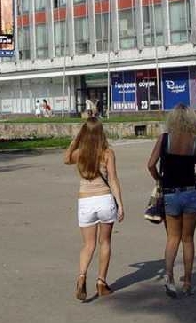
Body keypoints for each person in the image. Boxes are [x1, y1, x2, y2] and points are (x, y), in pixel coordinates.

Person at [147, 104, 196, 298]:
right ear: (192, 121)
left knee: (172, 238)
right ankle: (188, 282)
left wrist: (159, 177)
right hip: (190, 192)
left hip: (170, 193)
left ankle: (170, 278)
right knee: (188, 239)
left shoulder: (164, 139)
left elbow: (150, 164)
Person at [63, 117, 124, 301]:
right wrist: (120, 204)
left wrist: (76, 139)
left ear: (85, 133)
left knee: (88, 245)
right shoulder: (108, 153)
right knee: (104, 242)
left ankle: (81, 277)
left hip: (86, 202)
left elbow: (66, 158)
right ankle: (101, 282)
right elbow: (113, 179)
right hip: (105, 200)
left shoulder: (80, 153)